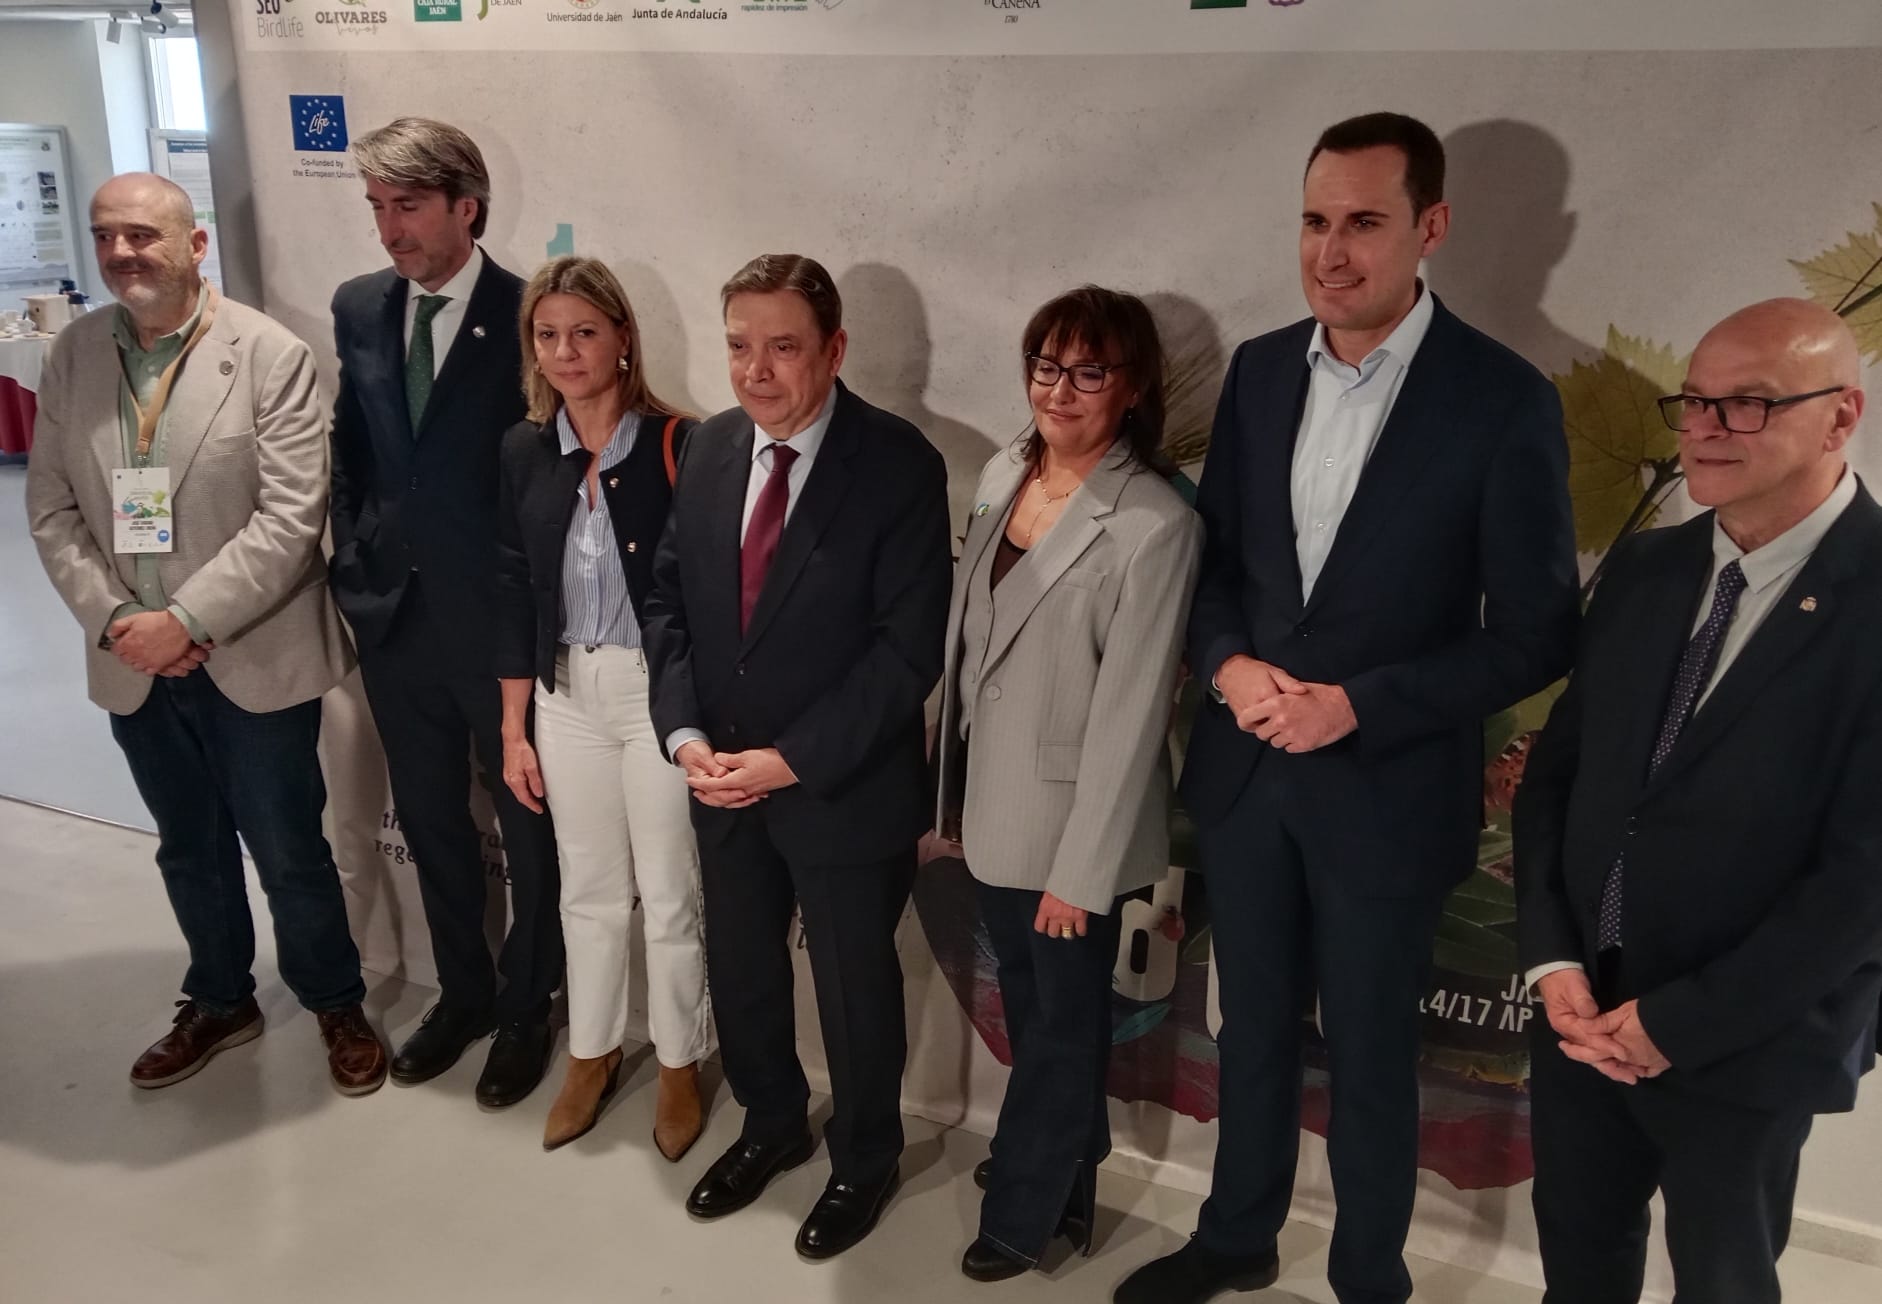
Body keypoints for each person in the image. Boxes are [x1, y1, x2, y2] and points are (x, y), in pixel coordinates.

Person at [1116, 113, 1579, 1304]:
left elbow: (1536, 632)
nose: (1331, 251)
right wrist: (1227, 664)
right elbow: (1218, 568)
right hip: (1248, 776)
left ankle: (1370, 1275)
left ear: (1431, 226)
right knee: (1250, 1028)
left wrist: (1359, 706)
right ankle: (1235, 1234)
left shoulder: (1503, 398)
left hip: (1388, 786)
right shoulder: (1262, 370)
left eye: (1364, 221)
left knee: (1372, 1054)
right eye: (1314, 221)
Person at [1514, 298, 1882, 1304]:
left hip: (1750, 1033)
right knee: (1576, 1263)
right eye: (1695, 401)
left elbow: (1863, 881)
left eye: (1748, 403)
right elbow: (1558, 778)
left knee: (1723, 1281)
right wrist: (1553, 959)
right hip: (1583, 1012)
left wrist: (1681, 1020)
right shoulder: (1647, 565)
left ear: (1841, 415)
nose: (1706, 429)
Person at [26, 173, 384, 1094]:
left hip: (250, 651)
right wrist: (120, 622)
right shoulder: (73, 356)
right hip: (133, 664)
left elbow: (291, 518)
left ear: (194, 245)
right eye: (106, 235)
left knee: (289, 850)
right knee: (188, 847)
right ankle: (221, 999)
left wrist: (182, 621)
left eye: (142, 234)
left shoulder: (268, 354)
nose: (121, 253)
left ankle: (334, 999)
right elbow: (51, 508)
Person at [642, 254, 952, 1258]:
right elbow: (670, 605)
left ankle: (865, 1158)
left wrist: (789, 760)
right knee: (741, 968)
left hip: (841, 784)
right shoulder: (709, 446)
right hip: (719, 779)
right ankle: (771, 1121)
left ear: (834, 348)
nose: (756, 370)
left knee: (855, 989)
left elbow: (905, 652)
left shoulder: (899, 463)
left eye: (783, 347)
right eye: (740, 345)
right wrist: (685, 735)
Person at [933, 286, 1201, 1281]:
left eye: (1089, 371)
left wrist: (1081, 875)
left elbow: (1132, 717)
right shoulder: (1004, 472)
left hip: (1072, 830)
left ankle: (1022, 1210)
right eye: (1046, 365)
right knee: (1037, 1010)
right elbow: (974, 650)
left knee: (1056, 1029)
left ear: (1131, 386)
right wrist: (947, 795)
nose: (1060, 389)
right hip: (990, 803)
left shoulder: (1155, 523)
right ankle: (1069, 1168)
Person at [328, 118, 563, 1106]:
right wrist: (355, 558)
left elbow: (552, 474)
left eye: (410, 207)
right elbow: (354, 448)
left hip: (502, 629)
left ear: (468, 207)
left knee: (529, 829)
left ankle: (527, 1007)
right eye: (377, 207)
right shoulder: (359, 305)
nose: (390, 230)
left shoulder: (532, 315)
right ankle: (463, 993)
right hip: (394, 618)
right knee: (428, 820)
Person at [493, 256, 711, 1155]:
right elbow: (514, 589)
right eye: (547, 335)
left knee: (668, 892)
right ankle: (591, 1051)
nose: (566, 351)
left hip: (654, 695)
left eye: (584, 331)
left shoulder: (681, 444)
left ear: (623, 337)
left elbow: (704, 596)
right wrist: (514, 727)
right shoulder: (523, 450)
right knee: (585, 889)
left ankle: (680, 1061)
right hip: (563, 695)